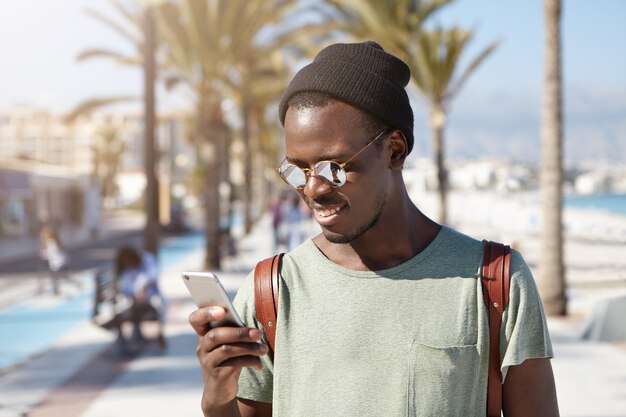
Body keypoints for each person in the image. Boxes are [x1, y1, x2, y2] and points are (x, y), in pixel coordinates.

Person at [189, 41, 559, 416]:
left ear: (394, 151)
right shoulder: (271, 291)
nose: (313, 189)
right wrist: (217, 397)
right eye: (297, 170)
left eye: (333, 167)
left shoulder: (495, 282)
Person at [115, 246, 167, 349]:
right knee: (130, 305)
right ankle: (137, 335)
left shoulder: (147, 259)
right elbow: (125, 287)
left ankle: (159, 332)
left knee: (161, 303)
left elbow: (152, 276)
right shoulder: (127, 269)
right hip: (132, 300)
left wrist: (143, 288)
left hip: (149, 297)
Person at [39, 225, 76, 295]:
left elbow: (50, 254)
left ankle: (56, 291)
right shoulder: (56, 242)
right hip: (62, 263)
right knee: (63, 277)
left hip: (57, 264)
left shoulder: (51, 243)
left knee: (56, 278)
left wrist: (43, 253)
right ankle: (73, 284)